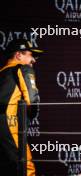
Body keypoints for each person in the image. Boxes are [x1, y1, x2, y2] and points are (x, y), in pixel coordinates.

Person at [0, 39, 44, 176]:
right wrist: (30, 116)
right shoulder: (23, 68)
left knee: (6, 166)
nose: (33, 60)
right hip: (9, 123)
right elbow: (32, 100)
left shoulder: (1, 72)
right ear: (18, 55)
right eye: (31, 55)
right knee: (25, 164)